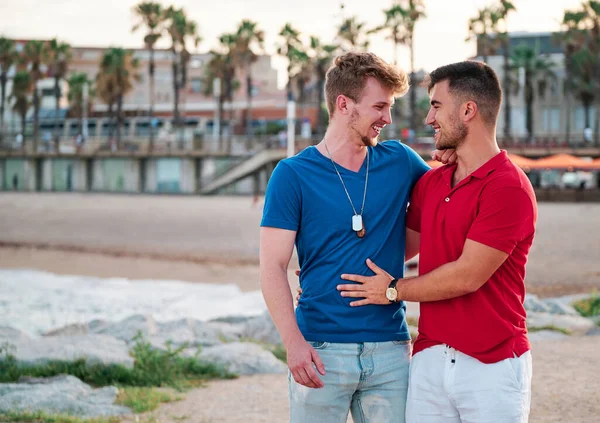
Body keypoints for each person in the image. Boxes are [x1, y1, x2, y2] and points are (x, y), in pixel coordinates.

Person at [337, 61, 537, 423]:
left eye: (436, 105)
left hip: (492, 363)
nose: (429, 118)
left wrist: (394, 290)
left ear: (468, 110)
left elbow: (466, 276)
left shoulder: (508, 187)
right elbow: (399, 246)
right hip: (429, 359)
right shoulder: (433, 183)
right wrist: (326, 276)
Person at [260, 52, 453, 423]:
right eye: (379, 106)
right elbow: (272, 266)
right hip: (319, 350)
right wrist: (293, 343)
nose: (388, 119)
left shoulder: (400, 160)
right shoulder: (292, 174)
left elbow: (444, 201)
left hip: (390, 352)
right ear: (344, 104)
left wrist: (454, 151)